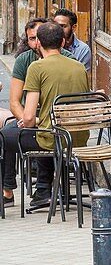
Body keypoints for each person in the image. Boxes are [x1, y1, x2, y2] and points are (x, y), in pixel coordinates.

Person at [1, 22, 89, 210]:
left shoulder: (37, 67)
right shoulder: (78, 66)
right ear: (63, 42)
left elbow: (30, 117)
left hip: (53, 138)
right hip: (78, 136)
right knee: (40, 132)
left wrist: (29, 121)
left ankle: (8, 190)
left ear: (39, 42)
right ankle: (42, 190)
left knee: (5, 135)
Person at [53, 8, 91, 72]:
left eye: (63, 26)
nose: (58, 29)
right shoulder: (48, 44)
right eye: (55, 25)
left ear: (73, 28)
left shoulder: (82, 49)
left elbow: (80, 75)